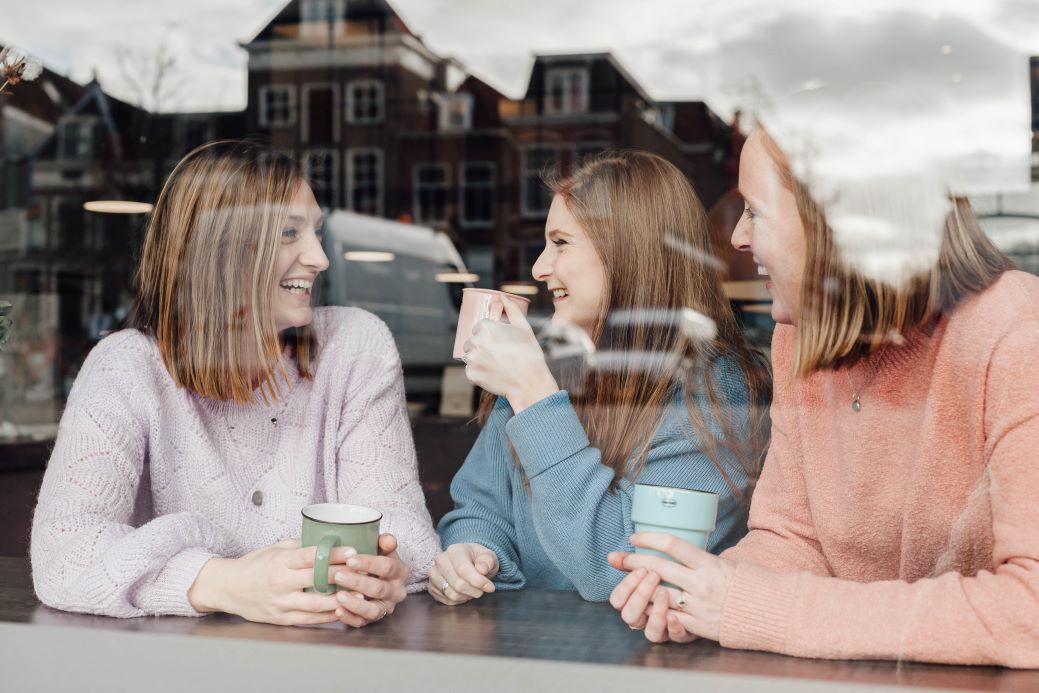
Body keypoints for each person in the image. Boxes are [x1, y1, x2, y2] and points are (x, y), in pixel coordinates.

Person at [608, 128, 1039, 668]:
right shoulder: (802, 337)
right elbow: (793, 538)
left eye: (755, 210)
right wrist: (697, 592)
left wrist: (752, 607)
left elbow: (1029, 612)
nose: (737, 236)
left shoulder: (1017, 332)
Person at [30, 140, 439, 627]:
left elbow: (405, 535)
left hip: (328, 653)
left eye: (316, 231)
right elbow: (64, 552)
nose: (320, 258)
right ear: (220, 252)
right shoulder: (125, 368)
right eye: (288, 233)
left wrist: (384, 573)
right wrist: (223, 583)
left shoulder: (355, 348)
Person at [431, 150, 771, 604]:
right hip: (528, 639)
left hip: (645, 647)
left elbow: (618, 571)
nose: (538, 268)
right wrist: (474, 551)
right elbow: (481, 509)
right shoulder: (549, 365)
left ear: (625, 252)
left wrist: (533, 394)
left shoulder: (716, 392)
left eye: (561, 243)